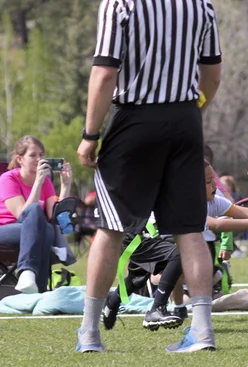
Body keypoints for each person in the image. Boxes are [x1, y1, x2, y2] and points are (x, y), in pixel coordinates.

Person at [76, 0, 222, 353]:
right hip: (186, 120)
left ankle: (89, 334)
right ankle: (202, 331)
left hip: (135, 121)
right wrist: (190, 112)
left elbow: (105, 72)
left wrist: (90, 134)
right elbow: (212, 74)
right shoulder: (201, 6)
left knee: (110, 227)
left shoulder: (120, 4)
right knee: (189, 229)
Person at [101, 161, 248, 331]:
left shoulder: (213, 201)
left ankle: (113, 300)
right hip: (140, 239)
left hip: (156, 240)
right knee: (179, 254)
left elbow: (247, 212)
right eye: (207, 181)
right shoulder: (185, 203)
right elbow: (217, 224)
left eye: (213, 180)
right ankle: (156, 309)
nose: (214, 185)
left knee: (136, 279)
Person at [0, 136, 75, 294]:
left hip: (34, 232)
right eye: (33, 155)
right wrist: (38, 183)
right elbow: (23, 215)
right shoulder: (8, 179)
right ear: (20, 159)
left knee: (47, 228)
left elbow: (55, 216)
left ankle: (36, 288)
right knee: (35, 212)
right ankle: (26, 272)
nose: (39, 159)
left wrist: (65, 186)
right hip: (5, 230)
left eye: (41, 155)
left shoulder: (45, 181)